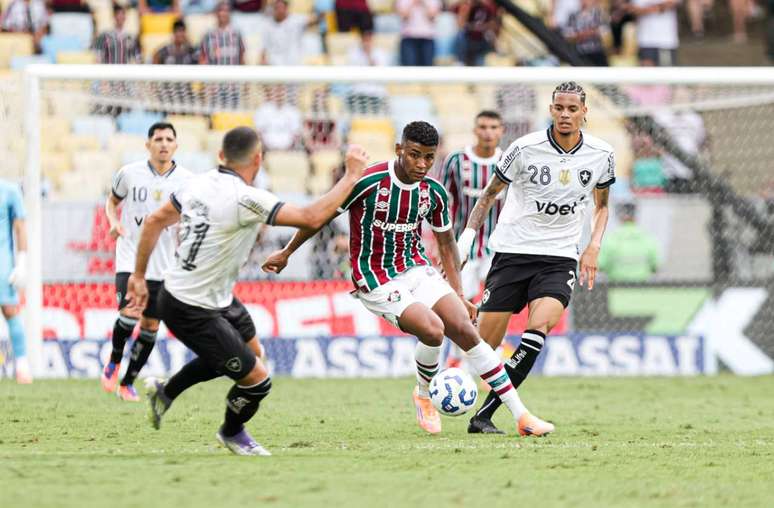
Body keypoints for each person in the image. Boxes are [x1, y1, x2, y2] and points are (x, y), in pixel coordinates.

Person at [262, 121, 554, 437]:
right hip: (376, 279)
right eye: (414, 155)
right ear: (400, 149)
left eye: (429, 157)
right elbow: (319, 219)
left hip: (416, 269)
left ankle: (522, 416)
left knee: (467, 331)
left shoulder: (433, 193)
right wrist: (287, 251)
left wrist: (457, 293)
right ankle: (424, 395)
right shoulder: (368, 182)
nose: (421, 164)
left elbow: (446, 246)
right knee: (433, 330)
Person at [126, 129, 369, 456]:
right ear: (258, 160)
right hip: (190, 307)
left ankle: (165, 392)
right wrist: (351, 175)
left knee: (248, 357)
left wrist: (138, 276)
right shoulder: (246, 198)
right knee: (256, 379)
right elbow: (311, 217)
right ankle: (231, 432)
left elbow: (154, 221)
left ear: (221, 156)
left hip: (208, 295)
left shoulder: (197, 182)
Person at [456, 82, 615, 434]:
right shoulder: (524, 148)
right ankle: (444, 387)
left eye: (573, 109)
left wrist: (593, 246)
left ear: (584, 112)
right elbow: (488, 195)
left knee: (538, 329)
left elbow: (602, 206)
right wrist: (467, 237)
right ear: (551, 110)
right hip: (513, 251)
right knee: (483, 346)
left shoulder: (602, 153)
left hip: (559, 257)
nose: (565, 114)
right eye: (559, 108)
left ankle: (485, 416)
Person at [100, 122, 193, 402]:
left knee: (151, 325)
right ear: (148, 144)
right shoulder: (129, 173)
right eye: (158, 139)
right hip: (129, 257)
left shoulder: (188, 181)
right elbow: (111, 201)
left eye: (169, 139)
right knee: (130, 311)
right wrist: (115, 222)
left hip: (164, 265)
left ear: (176, 145)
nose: (163, 144)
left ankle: (127, 383)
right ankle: (114, 362)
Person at [437, 110, 504, 368]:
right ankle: (455, 358)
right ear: (475, 130)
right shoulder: (457, 160)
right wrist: (439, 245)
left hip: (498, 247)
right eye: (483, 127)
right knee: (458, 303)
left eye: (493, 127)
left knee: (495, 304)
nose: (488, 132)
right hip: (461, 247)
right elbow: (442, 202)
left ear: (501, 130)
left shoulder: (509, 161)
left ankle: (491, 360)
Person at [0, 179, 30, 384]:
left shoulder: (9, 191)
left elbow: (20, 228)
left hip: (3, 263)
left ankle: (22, 365)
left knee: (10, 309)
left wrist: (21, 263)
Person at [598, 201, 660, 281]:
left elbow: (601, 265)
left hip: (616, 288)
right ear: (635, 216)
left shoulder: (611, 239)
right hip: (642, 289)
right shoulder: (647, 238)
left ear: (619, 217)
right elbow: (656, 265)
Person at [261, 0, 321, 66]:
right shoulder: (267, 25)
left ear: (286, 8)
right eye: (277, 8)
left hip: (294, 64)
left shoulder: (296, 20)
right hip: (275, 64)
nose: (280, 10)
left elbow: (314, 20)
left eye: (281, 7)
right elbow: (264, 46)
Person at [628, 0, 679, 66]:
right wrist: (659, 8)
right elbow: (632, 10)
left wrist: (643, 10)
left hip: (666, 42)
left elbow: (672, 3)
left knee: (666, 73)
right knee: (647, 74)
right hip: (644, 41)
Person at [563, 0, 609, 67]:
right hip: (579, 53)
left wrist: (586, 34)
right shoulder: (573, 16)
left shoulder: (598, 14)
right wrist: (585, 34)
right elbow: (567, 35)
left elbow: (605, 31)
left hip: (596, 51)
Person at [396, 0, 441, 66]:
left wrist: (423, 3)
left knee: (427, 69)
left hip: (427, 38)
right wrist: (412, 3)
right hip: (409, 38)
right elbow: (404, 17)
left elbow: (432, 17)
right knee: (408, 68)